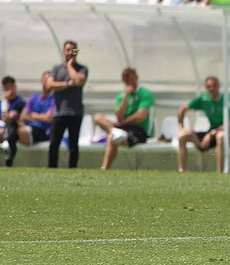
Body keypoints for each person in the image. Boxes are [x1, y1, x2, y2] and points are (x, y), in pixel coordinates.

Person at [94, 67, 155, 171]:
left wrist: (123, 123)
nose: (129, 82)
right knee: (98, 117)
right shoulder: (121, 96)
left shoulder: (145, 93)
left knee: (112, 136)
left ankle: (105, 168)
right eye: (127, 80)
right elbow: (119, 116)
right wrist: (126, 96)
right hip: (123, 128)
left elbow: (141, 116)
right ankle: (115, 131)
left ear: (136, 78)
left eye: (131, 79)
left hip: (138, 130)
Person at [175, 75, 230, 173]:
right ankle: (182, 170)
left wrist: (210, 134)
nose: (212, 89)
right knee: (183, 136)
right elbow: (182, 109)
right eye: (209, 86)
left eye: (214, 86)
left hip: (227, 133)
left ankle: (220, 172)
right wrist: (181, 128)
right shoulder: (204, 99)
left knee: (220, 136)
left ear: (219, 86)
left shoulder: (226, 100)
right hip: (211, 132)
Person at [42, 40, 87, 168]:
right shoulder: (56, 69)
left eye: (73, 50)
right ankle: (52, 168)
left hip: (75, 113)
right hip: (59, 112)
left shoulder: (82, 69)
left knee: (73, 144)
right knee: (54, 143)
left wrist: (69, 66)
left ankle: (72, 168)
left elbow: (78, 81)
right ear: (63, 51)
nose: (70, 52)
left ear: (76, 52)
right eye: (67, 50)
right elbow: (49, 85)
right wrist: (67, 84)